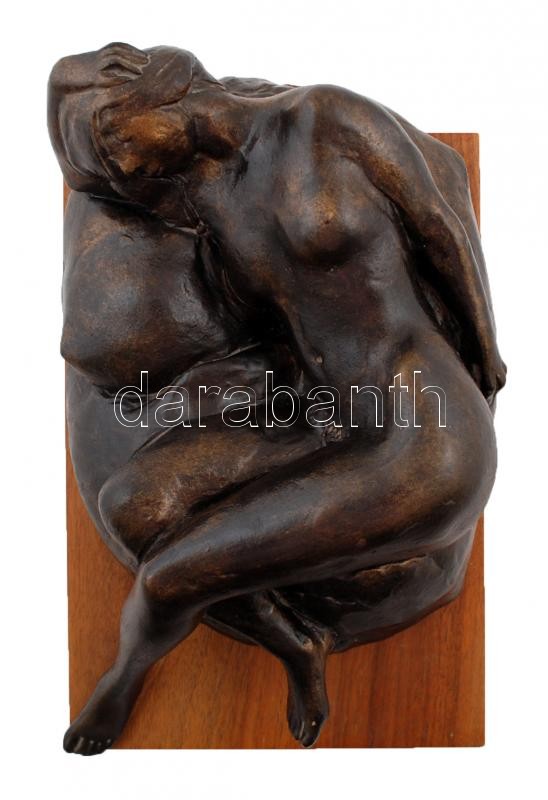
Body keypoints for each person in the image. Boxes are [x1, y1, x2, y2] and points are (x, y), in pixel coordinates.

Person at [49, 43, 505, 754]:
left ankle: (121, 685)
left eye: (114, 140)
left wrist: (488, 362)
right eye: (110, 165)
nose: (126, 167)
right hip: (320, 417)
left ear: (154, 93)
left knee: (168, 579)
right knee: (134, 505)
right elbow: (263, 327)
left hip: (420, 436)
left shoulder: (324, 115)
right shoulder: (211, 202)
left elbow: (441, 225)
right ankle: (295, 639)